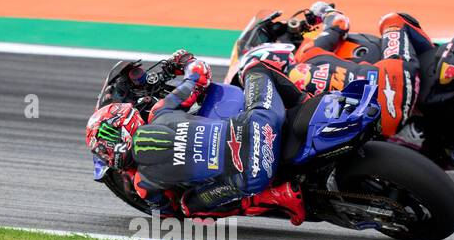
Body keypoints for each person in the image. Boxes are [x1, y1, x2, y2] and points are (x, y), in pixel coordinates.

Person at [85, 50, 307, 224]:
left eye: (104, 150)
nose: (106, 156)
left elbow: (168, 213)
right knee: (254, 68)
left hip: (255, 175)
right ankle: (305, 102)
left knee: (188, 207)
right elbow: (200, 75)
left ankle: (276, 196)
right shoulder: (159, 112)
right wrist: (184, 60)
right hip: (262, 126)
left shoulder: (143, 184)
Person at [254, 2, 435, 146]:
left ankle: (413, 139)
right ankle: (434, 58)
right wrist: (324, 11)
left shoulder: (284, 103)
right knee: (394, 19)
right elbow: (339, 23)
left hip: (385, 124)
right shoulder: (308, 53)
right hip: (395, 79)